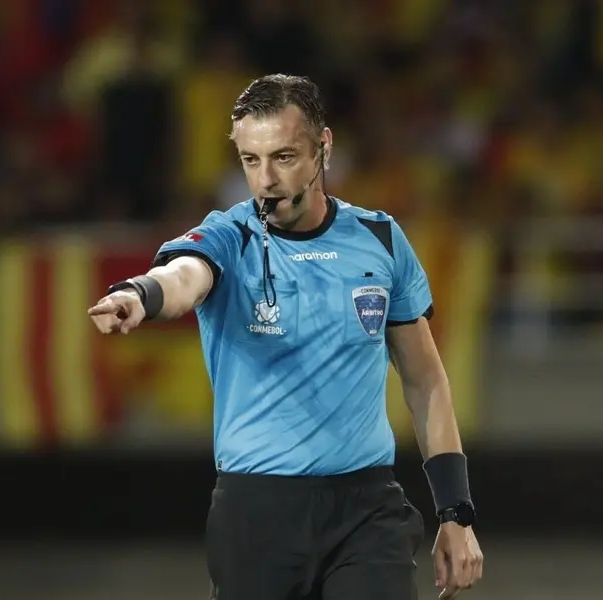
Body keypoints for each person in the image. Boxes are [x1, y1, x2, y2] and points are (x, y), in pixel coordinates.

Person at [87, 74, 484, 600]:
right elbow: (183, 277)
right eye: (251, 161)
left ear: (324, 148)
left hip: (367, 510)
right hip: (257, 515)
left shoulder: (381, 240)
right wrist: (138, 294)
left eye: (283, 157)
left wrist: (455, 513)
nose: (266, 179)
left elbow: (426, 380)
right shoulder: (229, 237)